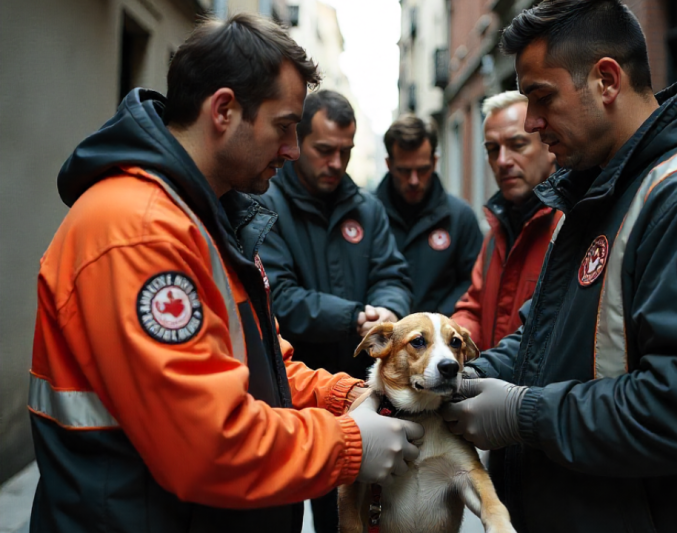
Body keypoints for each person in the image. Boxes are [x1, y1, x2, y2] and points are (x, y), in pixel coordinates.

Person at [28, 15, 422, 533]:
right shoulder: (142, 231)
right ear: (224, 110)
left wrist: (349, 396)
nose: (291, 149)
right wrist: (349, 443)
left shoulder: (205, 214)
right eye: (285, 127)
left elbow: (262, 367)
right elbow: (207, 444)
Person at [441, 1, 677, 532]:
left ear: (606, 80)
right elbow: (543, 336)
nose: (534, 123)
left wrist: (526, 414)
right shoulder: (598, 192)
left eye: (542, 97)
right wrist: (456, 380)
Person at [257, 89, 412, 532]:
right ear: (298, 141)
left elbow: (393, 274)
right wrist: (353, 316)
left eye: (345, 151)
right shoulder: (265, 205)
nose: (336, 163)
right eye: (324, 150)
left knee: (352, 515)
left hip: (356, 388)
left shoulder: (366, 208)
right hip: (290, 391)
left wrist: (388, 310)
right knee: (282, 511)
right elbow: (278, 296)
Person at [452, 91, 559, 350]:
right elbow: (474, 309)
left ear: (549, 146)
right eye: (492, 149)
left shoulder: (570, 226)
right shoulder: (496, 230)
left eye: (517, 144)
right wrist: (444, 342)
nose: (502, 161)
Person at [375, 115, 482, 315]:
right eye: (404, 171)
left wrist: (435, 324)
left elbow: (473, 283)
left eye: (422, 170)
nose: (414, 180)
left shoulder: (460, 218)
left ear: (434, 162)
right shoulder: (368, 216)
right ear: (389, 164)